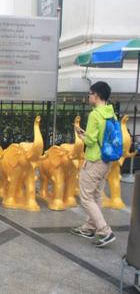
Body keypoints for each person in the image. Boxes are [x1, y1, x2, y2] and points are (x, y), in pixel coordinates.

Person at [71, 81, 117, 247]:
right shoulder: (111, 113)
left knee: (86, 197)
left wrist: (80, 133)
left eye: (90, 93)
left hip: (94, 160)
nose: (89, 96)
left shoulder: (95, 114)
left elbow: (90, 141)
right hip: (106, 160)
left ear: (96, 95)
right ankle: (89, 227)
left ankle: (105, 231)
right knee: (96, 194)